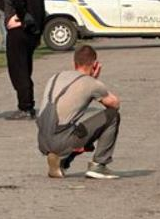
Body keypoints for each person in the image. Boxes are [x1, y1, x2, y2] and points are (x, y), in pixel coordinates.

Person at [37, 45, 122, 180]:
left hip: (43, 140)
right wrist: (95, 80)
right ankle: (99, 165)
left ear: (74, 63)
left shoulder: (56, 77)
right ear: (95, 64)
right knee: (112, 116)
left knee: (75, 129)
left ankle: (61, 162)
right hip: (62, 140)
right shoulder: (91, 83)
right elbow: (115, 104)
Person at [4, 0, 44, 120]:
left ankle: (25, 106)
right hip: (32, 31)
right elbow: (40, 8)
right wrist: (38, 28)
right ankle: (28, 103)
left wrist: (21, 17)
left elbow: (18, 1)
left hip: (18, 31)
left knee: (17, 69)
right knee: (26, 67)